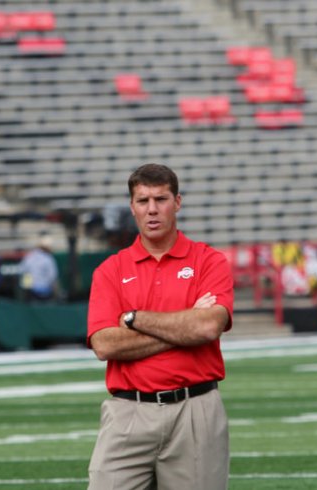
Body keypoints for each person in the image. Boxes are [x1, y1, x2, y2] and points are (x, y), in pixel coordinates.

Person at [86, 163, 234, 489]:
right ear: (132, 207)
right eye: (143, 201)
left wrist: (133, 319)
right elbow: (106, 345)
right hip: (128, 411)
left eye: (161, 199)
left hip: (194, 409)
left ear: (177, 202)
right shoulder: (109, 270)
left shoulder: (209, 260)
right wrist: (185, 326)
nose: (152, 209)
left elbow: (208, 327)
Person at [19, 236, 58, 301]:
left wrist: (27, 288)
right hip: (45, 292)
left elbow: (22, 272)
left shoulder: (29, 257)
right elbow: (52, 277)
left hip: (31, 292)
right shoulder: (48, 259)